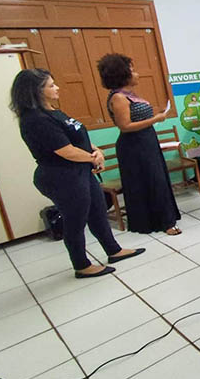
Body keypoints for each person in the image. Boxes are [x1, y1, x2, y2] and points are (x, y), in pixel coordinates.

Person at [11, 69, 145, 278]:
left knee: (98, 211)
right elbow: (66, 151)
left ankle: (113, 250)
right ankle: (81, 265)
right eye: (51, 85)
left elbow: (78, 137)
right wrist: (93, 158)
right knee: (75, 220)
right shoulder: (35, 120)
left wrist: (96, 151)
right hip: (61, 176)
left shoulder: (54, 112)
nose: (57, 88)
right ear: (36, 91)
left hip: (80, 170)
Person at [99, 53, 181, 235]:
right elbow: (125, 126)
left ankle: (165, 219)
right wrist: (156, 119)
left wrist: (156, 116)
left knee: (157, 180)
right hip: (134, 145)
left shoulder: (130, 94)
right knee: (150, 182)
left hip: (147, 140)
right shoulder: (118, 97)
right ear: (122, 75)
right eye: (132, 71)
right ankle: (162, 223)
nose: (137, 74)